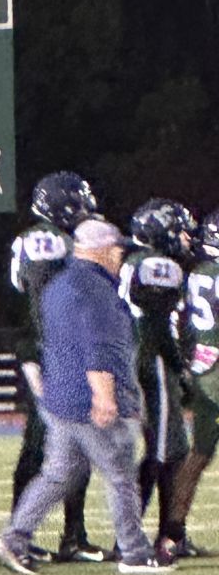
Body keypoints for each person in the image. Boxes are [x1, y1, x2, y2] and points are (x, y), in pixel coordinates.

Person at [0, 217, 175, 575]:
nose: (121, 255)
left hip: (59, 399)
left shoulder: (58, 285)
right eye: (117, 249)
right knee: (121, 476)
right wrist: (104, 394)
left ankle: (14, 538)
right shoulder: (96, 289)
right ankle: (135, 553)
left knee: (58, 474)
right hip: (89, 399)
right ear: (102, 250)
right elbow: (97, 345)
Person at [10, 172, 106, 562]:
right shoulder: (45, 239)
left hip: (50, 349)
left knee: (70, 443)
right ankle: (25, 535)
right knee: (43, 443)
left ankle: (70, 533)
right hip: (49, 351)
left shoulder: (43, 238)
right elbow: (43, 298)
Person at [123, 199, 194, 550]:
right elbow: (157, 325)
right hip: (151, 359)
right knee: (164, 453)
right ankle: (159, 537)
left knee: (167, 450)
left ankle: (163, 534)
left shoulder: (133, 261)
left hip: (134, 355)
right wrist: (180, 365)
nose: (184, 237)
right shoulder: (158, 265)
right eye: (178, 230)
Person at [163, 207, 219, 558]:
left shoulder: (195, 274)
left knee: (197, 455)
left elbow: (177, 322)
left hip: (203, 371)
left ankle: (173, 532)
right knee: (197, 455)